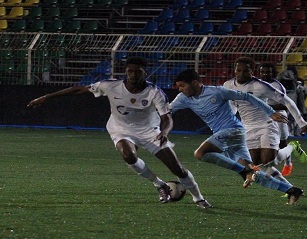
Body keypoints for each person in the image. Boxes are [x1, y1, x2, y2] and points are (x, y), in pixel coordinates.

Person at [27, 57, 211, 208]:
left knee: (176, 168)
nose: (133, 74)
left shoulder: (155, 92)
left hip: (150, 131)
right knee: (128, 155)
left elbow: (167, 118)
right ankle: (159, 184)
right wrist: (46, 97)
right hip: (120, 128)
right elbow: (78, 89)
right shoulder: (110, 85)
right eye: (130, 71)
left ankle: (199, 198)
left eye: (137, 71)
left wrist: (164, 132)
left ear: (145, 73)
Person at [171, 69, 305, 205]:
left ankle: (244, 171)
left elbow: (247, 97)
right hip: (228, 136)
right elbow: (167, 110)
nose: (180, 89)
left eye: (182, 86)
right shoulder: (183, 98)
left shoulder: (217, 91)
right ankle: (292, 190)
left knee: (200, 153)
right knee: (253, 174)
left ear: (194, 83)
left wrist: (270, 112)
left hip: (233, 130)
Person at [223, 57, 307, 183]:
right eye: (239, 70)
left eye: (245, 71)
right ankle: (288, 183)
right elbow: (231, 104)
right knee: (256, 163)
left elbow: (288, 102)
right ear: (235, 70)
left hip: (266, 125)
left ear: (252, 71)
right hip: (248, 127)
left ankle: (291, 148)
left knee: (268, 161)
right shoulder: (228, 85)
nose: (241, 73)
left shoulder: (261, 86)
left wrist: (301, 122)